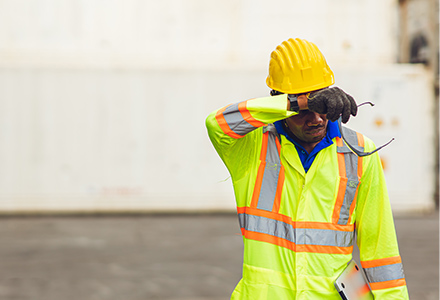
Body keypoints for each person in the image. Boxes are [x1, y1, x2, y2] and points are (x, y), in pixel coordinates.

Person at [205, 38, 410, 299]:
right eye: (306, 109)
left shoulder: (358, 152)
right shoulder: (253, 146)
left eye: (321, 105)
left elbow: (381, 250)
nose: (316, 118)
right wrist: (296, 104)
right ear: (279, 102)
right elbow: (216, 124)